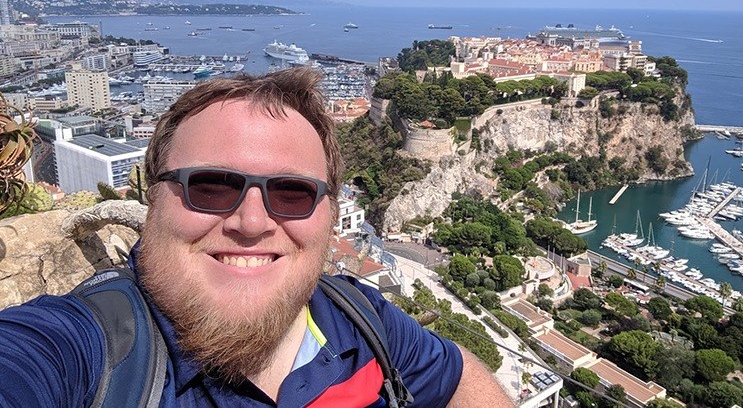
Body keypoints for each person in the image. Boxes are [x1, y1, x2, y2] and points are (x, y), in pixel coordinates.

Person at [0, 68, 514, 407]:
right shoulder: (87, 355)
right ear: (151, 198)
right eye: (210, 185)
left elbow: (458, 377)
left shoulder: (362, 322)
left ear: (329, 216)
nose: (251, 222)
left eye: (292, 193)